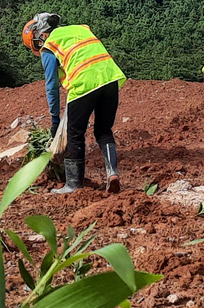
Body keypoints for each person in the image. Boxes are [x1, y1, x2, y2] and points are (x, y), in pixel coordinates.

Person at [21, 13, 126, 192]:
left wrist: (55, 120)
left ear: (41, 35)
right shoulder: (80, 29)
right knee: (103, 130)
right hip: (110, 79)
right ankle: (112, 173)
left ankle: (73, 185)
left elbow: (52, 86)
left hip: (84, 83)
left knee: (74, 133)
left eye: (37, 44)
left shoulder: (49, 46)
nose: (39, 48)